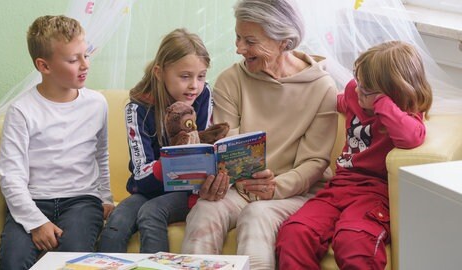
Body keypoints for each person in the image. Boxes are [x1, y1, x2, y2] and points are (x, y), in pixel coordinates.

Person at [181, 0, 338, 269]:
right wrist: (214, 178)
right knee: (204, 211)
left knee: (257, 216)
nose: (239, 49)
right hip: (240, 188)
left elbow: (314, 162)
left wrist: (276, 187)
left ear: (284, 42)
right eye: (238, 37)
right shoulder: (231, 79)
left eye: (250, 41)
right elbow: (225, 147)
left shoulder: (322, 87)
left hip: (295, 192)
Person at [276, 40, 433, 269]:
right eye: (357, 82)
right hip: (339, 186)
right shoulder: (354, 92)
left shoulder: (402, 114)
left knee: (355, 242)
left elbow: (411, 137)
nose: (357, 89)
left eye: (366, 90)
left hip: (375, 194)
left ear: (392, 95)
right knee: (295, 232)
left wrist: (382, 104)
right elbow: (336, 102)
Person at [0, 15, 114, 270]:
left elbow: (100, 154)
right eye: (73, 59)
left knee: (72, 261)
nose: (85, 65)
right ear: (44, 66)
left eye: (86, 55)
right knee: (11, 261)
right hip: (34, 200)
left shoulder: (96, 104)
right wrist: (36, 222)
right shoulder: (22, 110)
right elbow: (11, 176)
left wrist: (106, 197)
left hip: (82, 200)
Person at [98, 28, 230, 253]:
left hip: (190, 192)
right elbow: (141, 173)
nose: (194, 86)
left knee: (150, 214)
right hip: (148, 188)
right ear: (160, 72)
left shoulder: (204, 95)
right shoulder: (137, 108)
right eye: (185, 76)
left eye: (201, 76)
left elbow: (207, 150)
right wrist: (175, 158)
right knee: (117, 223)